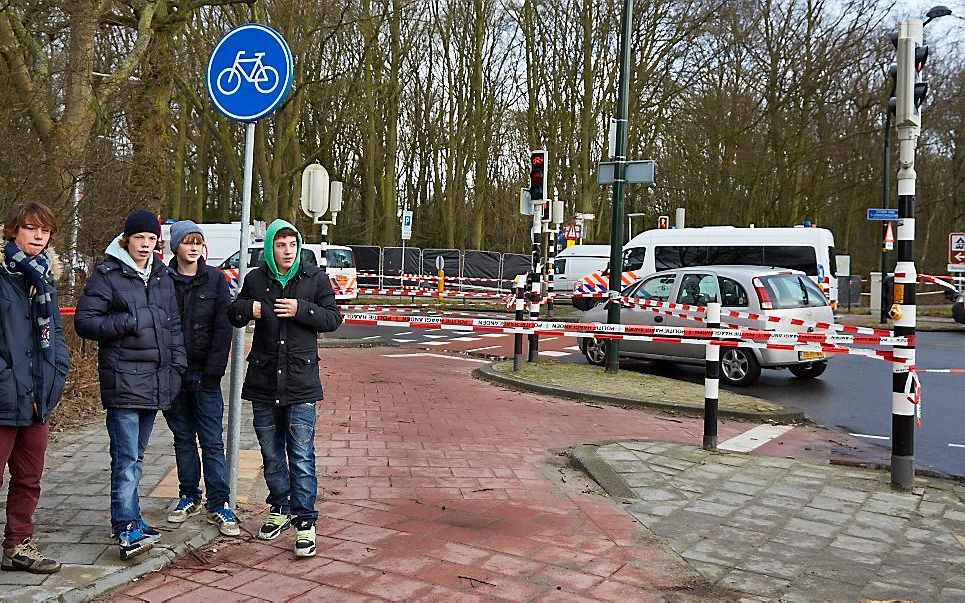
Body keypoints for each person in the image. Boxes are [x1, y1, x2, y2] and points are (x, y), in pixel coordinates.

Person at [75, 209, 186, 560]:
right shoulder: (107, 275)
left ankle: (133, 517)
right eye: (140, 238)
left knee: (137, 456)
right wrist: (129, 320)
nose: (146, 245)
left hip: (155, 381)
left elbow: (173, 326)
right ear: (127, 239)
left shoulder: (161, 276)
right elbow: (85, 322)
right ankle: (125, 527)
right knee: (125, 459)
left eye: (152, 239)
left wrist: (178, 365)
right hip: (124, 382)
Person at [227, 219, 341, 558]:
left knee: (302, 455)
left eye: (292, 244)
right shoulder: (255, 279)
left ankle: (305, 521)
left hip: (301, 382)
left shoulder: (315, 278)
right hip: (263, 382)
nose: (287, 251)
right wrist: (251, 308)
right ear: (270, 248)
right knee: (272, 454)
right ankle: (279, 506)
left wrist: (300, 309)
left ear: (299, 246)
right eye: (280, 244)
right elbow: (233, 313)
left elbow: (333, 319)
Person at [0, 203, 70, 574]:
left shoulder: (44, 279)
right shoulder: (2, 275)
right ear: (13, 231)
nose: (39, 236)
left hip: (38, 398)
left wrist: (59, 369)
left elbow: (55, 333)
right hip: (4, 397)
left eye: (45, 230)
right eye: (31, 228)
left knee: (29, 478)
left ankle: (18, 545)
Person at [163, 221, 238, 536]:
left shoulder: (215, 281)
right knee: (182, 438)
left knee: (211, 440)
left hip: (205, 376)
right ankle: (188, 495)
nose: (193, 248)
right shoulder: (163, 280)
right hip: (173, 375)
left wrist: (213, 373)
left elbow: (224, 330)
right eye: (187, 242)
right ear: (176, 246)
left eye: (198, 242)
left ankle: (219, 503)